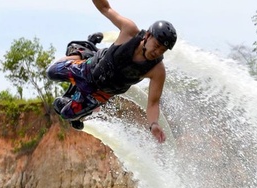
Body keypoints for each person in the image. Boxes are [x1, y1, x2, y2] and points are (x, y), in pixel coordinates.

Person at [46, 0, 177, 143]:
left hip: (100, 94)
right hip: (88, 70)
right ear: (147, 36)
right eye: (156, 46)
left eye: (162, 50)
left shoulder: (157, 71)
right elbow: (105, 8)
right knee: (52, 72)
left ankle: (85, 107)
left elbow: (153, 103)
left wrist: (154, 124)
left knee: (66, 113)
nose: (157, 52)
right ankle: (83, 52)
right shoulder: (129, 30)